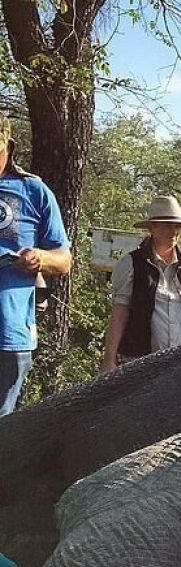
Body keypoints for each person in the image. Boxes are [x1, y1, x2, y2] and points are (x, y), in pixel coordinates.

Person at [0, 113, 72, 415]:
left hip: (9, 334)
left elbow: (64, 259)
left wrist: (39, 258)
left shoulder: (34, 190)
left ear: (8, 146)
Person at [100, 195, 181, 373]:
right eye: (167, 225)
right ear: (152, 228)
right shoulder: (132, 263)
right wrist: (109, 359)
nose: (173, 231)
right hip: (139, 364)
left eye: (177, 226)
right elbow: (120, 312)